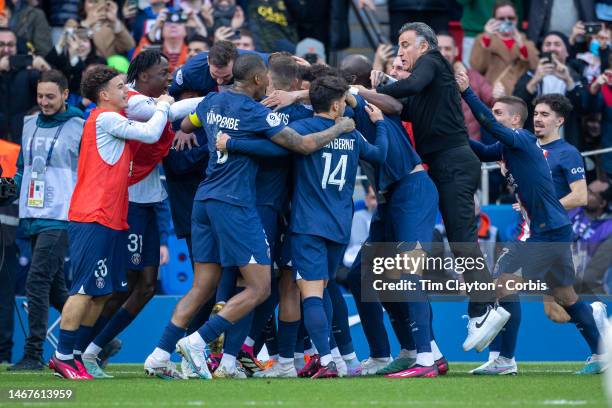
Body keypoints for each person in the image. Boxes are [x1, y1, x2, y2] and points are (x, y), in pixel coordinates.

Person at [144, 54, 354, 380]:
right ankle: (199, 342)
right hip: (236, 204)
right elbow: (301, 145)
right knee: (259, 288)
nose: (269, 85)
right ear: (258, 81)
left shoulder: (211, 102)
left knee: (203, 286)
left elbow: (186, 124)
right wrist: (341, 126)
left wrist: (196, 132)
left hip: (204, 200)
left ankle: (159, 354)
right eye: (265, 80)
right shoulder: (258, 114)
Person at [456, 69, 605, 376]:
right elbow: (483, 149)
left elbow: (579, 197)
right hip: (547, 229)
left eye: (545, 115)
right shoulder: (517, 145)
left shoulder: (545, 146)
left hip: (545, 230)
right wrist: (452, 132)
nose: (538, 119)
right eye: (536, 113)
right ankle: (601, 350)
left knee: (503, 285)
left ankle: (505, 359)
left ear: (559, 121)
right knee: (565, 297)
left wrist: (468, 92)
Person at [375, 21, 506, 352]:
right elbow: (403, 102)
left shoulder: (433, 61)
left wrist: (363, 90)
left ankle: (484, 307)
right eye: (399, 45)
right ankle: (482, 308)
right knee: (459, 238)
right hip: (448, 164)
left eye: (405, 44)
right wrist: (384, 84)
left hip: (454, 165)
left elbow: (406, 89)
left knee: (463, 239)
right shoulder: (424, 85)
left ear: (424, 45)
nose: (401, 50)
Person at [79, 50, 203, 378]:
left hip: (148, 201)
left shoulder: (148, 100)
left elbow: (171, 111)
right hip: (128, 202)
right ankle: (82, 350)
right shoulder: (132, 101)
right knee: (123, 285)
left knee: (146, 286)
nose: (168, 78)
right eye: (163, 72)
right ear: (144, 75)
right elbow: (171, 112)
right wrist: (216, 102)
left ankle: (90, 349)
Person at [48, 65, 174, 380]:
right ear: (104, 95)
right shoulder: (105, 118)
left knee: (102, 292)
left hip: (111, 218)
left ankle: (76, 354)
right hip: (93, 216)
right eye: (121, 87)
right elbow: (150, 132)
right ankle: (62, 357)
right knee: (83, 290)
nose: (127, 92)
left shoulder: (111, 120)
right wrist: (163, 105)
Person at [342, 54, 447, 378]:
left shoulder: (365, 104)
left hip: (412, 189)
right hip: (389, 199)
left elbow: (395, 105)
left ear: (349, 84)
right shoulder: (367, 104)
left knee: (407, 271)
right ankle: (406, 351)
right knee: (361, 273)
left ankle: (426, 360)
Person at [5, 70, 81, 371]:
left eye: (50, 96)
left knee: (37, 282)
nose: (44, 102)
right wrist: (8, 187)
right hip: (33, 213)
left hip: (62, 214)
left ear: (65, 94)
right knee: (55, 289)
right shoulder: (28, 124)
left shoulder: (80, 126)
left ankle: (34, 353)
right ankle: (97, 339)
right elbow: (24, 167)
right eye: (40, 96)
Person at [513, 32, 586, 149]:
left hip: (567, 141)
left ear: (567, 51)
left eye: (557, 44)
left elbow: (585, 107)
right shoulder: (530, 75)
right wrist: (535, 79)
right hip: (535, 144)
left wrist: (568, 81)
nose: (552, 48)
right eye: (548, 44)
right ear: (542, 50)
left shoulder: (576, 76)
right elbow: (517, 106)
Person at [437, 32, 500, 141]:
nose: (443, 53)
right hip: (435, 146)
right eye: (438, 49)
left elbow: (494, 100)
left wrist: (499, 96)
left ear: (456, 51)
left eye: (447, 48)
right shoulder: (422, 77)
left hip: (470, 146)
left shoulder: (472, 76)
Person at [470, 0, 538, 95]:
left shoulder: (526, 41)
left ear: (516, 19)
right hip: (492, 95)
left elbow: (534, 67)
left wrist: (521, 46)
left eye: (511, 18)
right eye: (501, 19)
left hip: (519, 96)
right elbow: (477, 67)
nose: (507, 21)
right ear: (493, 20)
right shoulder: (483, 39)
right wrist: (487, 37)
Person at [168, 40, 268, 99]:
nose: (220, 81)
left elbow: (279, 62)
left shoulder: (253, 62)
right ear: (208, 61)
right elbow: (165, 93)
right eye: (215, 75)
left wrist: (283, 93)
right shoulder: (191, 71)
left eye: (226, 76)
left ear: (237, 62)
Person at [0, 28, 49, 143]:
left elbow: (55, 91)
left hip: (22, 140)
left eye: (11, 45)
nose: (6, 49)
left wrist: (46, 69)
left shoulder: (28, 72)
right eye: (1, 45)